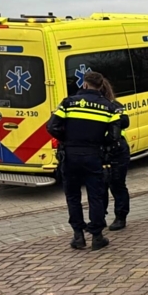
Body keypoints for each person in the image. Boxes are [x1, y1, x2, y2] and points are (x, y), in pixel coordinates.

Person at [47, 71, 122, 250]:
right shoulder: (109, 107)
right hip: (93, 155)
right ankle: (97, 237)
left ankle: (78, 236)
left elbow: (51, 126)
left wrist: (66, 140)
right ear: (101, 86)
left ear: (85, 84)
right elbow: (114, 136)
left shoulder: (68, 103)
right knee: (95, 196)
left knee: (73, 196)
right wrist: (100, 144)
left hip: (70, 156)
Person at [100, 78, 130, 231]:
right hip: (100, 150)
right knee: (100, 186)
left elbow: (123, 124)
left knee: (117, 184)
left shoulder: (115, 106)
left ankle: (120, 217)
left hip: (117, 150)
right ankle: (99, 218)